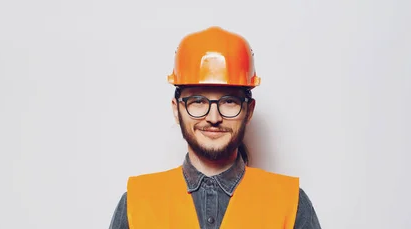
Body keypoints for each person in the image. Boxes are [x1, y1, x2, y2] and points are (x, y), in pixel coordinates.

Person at [108, 26, 322, 229]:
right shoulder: (136, 203)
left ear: (249, 110)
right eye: (198, 101)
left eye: (229, 101)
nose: (213, 117)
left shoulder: (290, 203)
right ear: (176, 109)